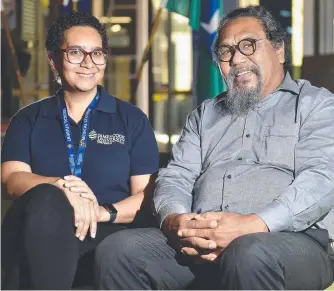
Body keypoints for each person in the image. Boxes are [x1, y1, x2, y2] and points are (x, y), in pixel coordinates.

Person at [95, 5, 334, 290]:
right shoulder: (205, 114)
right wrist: (178, 221)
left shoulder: (316, 105)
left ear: (279, 50)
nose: (236, 59)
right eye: (225, 51)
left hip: (291, 241)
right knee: (120, 251)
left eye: (248, 45)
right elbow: (176, 176)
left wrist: (253, 224)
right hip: (198, 242)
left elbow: (322, 178)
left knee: (249, 252)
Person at [1, 12, 159, 290]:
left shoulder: (131, 119)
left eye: (97, 53)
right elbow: (12, 180)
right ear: (53, 58)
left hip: (106, 236)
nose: (88, 62)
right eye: (76, 52)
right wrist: (62, 188)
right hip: (40, 232)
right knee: (47, 201)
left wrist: (100, 211)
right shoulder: (28, 119)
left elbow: (146, 197)